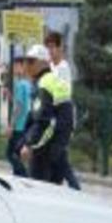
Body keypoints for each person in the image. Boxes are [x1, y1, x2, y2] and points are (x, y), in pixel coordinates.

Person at [20, 44, 74, 185]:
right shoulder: (54, 80)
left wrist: (30, 144)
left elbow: (45, 121)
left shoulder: (44, 84)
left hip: (44, 152)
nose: (27, 65)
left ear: (43, 63)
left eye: (31, 61)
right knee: (53, 197)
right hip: (58, 148)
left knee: (39, 197)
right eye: (26, 61)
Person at [45, 31, 81, 190]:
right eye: (48, 47)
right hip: (52, 119)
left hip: (63, 118)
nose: (50, 51)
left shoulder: (63, 67)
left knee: (58, 156)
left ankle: (76, 189)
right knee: (56, 158)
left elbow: (61, 95)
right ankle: (56, 188)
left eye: (53, 47)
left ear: (61, 48)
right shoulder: (50, 66)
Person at [6, 58, 33, 177]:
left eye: (17, 66)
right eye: (14, 66)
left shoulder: (20, 84)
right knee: (17, 153)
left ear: (23, 67)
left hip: (19, 125)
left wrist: (11, 125)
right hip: (26, 124)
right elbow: (22, 102)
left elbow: (19, 106)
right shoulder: (28, 84)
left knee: (10, 153)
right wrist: (11, 97)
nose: (15, 69)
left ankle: (24, 176)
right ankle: (19, 176)